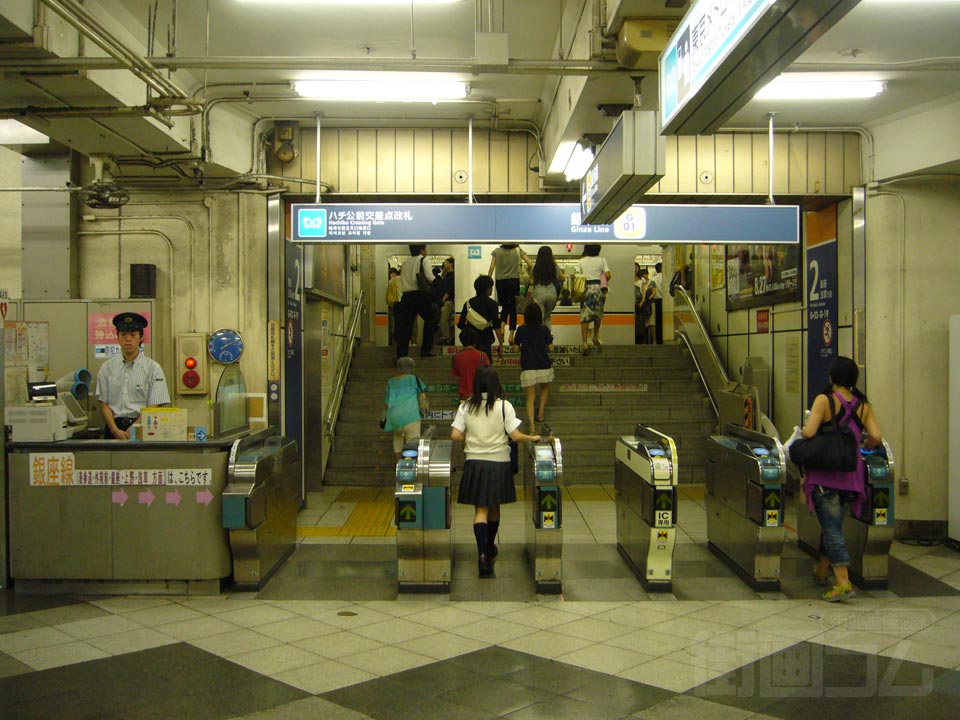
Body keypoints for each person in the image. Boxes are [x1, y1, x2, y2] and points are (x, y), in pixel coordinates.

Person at [800, 356, 883, 602]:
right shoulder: (863, 406)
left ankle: (842, 582)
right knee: (833, 525)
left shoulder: (824, 400)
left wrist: (803, 431)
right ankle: (821, 570)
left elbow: (809, 432)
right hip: (851, 475)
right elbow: (876, 436)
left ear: (831, 377)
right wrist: (865, 446)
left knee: (832, 529)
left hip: (826, 474)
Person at [451, 366, 541, 577]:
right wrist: (532, 437)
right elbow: (515, 436)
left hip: (475, 462)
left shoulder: (466, 406)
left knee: (480, 510)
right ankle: (490, 545)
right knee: (494, 507)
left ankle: (482, 553)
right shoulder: (504, 406)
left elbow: (455, 435)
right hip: (499, 462)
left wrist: (468, 438)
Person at [96, 312, 170, 440]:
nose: (128, 339)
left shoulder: (153, 368)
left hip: (143, 426)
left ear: (141, 337)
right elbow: (104, 404)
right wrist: (114, 430)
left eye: (133, 335)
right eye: (123, 335)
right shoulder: (107, 368)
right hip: (113, 429)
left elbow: (154, 405)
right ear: (117, 337)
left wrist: (134, 428)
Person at [514, 301, 554, 429]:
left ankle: (532, 426)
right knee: (544, 388)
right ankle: (541, 413)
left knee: (530, 397)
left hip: (528, 366)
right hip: (544, 364)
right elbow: (551, 348)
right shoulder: (544, 329)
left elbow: (516, 349)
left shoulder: (521, 329)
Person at [396, 244, 437, 360]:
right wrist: (438, 282)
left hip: (406, 296)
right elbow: (429, 277)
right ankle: (425, 350)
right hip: (420, 296)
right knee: (431, 319)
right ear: (422, 250)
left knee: (406, 327)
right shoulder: (424, 260)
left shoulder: (405, 263)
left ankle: (402, 354)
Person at [383, 356, 427, 461]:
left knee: (397, 438)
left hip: (395, 417)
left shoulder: (391, 382)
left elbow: (386, 403)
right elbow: (422, 395)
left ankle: (398, 462)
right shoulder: (415, 379)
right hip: (411, 416)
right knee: (412, 442)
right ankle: (410, 464)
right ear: (412, 367)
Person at [487, 244, 531, 346]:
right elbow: (530, 264)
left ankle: (502, 328)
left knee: (505, 306)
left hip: (500, 282)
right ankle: (511, 335)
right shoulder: (518, 250)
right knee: (513, 309)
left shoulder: (497, 251)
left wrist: (488, 281)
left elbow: (492, 267)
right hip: (513, 280)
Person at [457, 274, 503, 362]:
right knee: (485, 363)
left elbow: (461, 323)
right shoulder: (492, 304)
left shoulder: (468, 303)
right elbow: (496, 325)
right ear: (487, 288)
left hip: (471, 341)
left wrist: (469, 330)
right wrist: (501, 344)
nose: (492, 289)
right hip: (486, 338)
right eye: (491, 287)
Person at [577, 244, 610, 356]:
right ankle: (595, 337)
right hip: (598, 289)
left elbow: (577, 275)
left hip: (585, 289)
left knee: (584, 317)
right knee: (598, 314)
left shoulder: (581, 261)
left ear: (586, 250)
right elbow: (608, 275)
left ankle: (585, 343)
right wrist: (601, 276)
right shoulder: (602, 260)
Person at [527, 246, 565, 327]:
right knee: (547, 316)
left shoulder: (535, 267)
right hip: (552, 293)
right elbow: (562, 278)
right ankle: (547, 333)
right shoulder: (554, 266)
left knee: (540, 317)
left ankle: (540, 333)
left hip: (539, 294)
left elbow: (532, 281)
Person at [451, 327, 490, 401]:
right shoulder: (483, 356)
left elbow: (456, 378)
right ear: (475, 341)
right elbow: (488, 375)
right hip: (480, 397)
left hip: (464, 397)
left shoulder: (456, 357)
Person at [436, 257, 456, 345]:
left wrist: (442, 300)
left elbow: (449, 290)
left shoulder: (453, 276)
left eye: (446, 262)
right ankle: (447, 337)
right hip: (444, 300)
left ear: (451, 264)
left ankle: (446, 337)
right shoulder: (446, 275)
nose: (445, 264)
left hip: (447, 301)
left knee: (443, 320)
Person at [386, 266, 400, 345]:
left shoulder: (392, 281)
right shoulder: (394, 281)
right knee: (395, 323)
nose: (392, 275)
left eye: (393, 273)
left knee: (394, 323)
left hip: (394, 304)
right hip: (396, 303)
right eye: (391, 273)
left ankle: (394, 339)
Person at [650, 261, 664, 344]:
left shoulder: (653, 279)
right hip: (665, 301)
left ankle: (658, 340)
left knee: (657, 321)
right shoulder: (666, 278)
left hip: (656, 301)